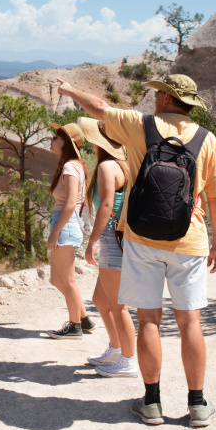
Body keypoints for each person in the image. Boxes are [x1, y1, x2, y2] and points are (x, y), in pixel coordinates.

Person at [56, 74, 216, 428]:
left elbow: (99, 110)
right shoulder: (208, 140)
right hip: (189, 241)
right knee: (189, 321)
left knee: (148, 319)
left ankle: (151, 403)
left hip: (141, 238)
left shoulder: (140, 126)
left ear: (166, 98)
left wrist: (71, 90)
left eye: (158, 94)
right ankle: (196, 404)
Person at [75, 117, 138, 378]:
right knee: (101, 300)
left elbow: (106, 206)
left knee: (118, 305)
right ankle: (116, 349)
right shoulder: (124, 165)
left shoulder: (106, 167)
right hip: (119, 238)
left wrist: (91, 243)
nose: (90, 145)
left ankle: (128, 360)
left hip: (112, 239)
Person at [43, 122, 95, 340]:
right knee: (57, 279)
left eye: (57, 136)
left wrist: (55, 232)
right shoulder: (73, 166)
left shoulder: (69, 167)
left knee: (68, 280)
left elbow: (71, 203)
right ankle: (83, 319)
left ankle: (74, 327)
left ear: (67, 143)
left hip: (64, 224)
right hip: (65, 223)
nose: (52, 139)